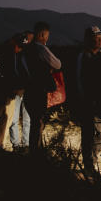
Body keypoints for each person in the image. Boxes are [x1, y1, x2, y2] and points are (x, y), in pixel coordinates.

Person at [74, 26, 101, 178]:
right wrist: (84, 100)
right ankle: (89, 166)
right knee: (88, 135)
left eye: (100, 38)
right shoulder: (83, 57)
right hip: (88, 102)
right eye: (95, 38)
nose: (99, 40)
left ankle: (91, 161)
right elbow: (78, 80)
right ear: (88, 40)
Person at [22, 22, 61, 158]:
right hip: (39, 90)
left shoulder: (26, 49)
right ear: (42, 34)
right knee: (38, 122)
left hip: (28, 89)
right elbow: (57, 63)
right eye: (47, 35)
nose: (47, 38)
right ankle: (35, 152)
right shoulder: (41, 49)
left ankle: (33, 149)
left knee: (34, 120)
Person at [0, 33, 27, 150]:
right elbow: (6, 73)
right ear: (16, 44)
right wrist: (12, 86)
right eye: (20, 47)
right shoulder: (8, 54)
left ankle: (0, 143)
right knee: (5, 117)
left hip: (8, 90)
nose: (20, 50)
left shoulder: (6, 52)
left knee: (6, 117)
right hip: (8, 91)